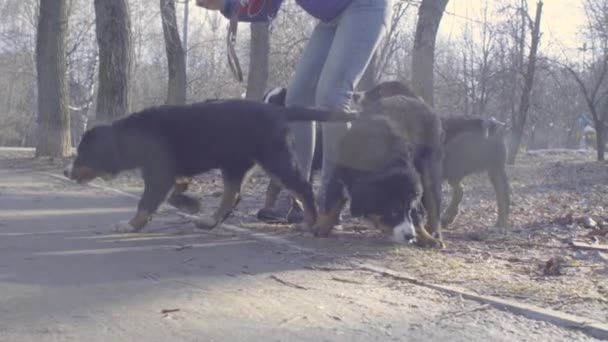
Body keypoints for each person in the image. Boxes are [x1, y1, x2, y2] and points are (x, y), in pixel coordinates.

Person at [196, 0, 391, 223]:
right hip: (330, 17)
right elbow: (267, 6)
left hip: (364, 6)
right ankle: (297, 193)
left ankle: (331, 197)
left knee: (332, 97)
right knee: (297, 97)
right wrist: (227, 6)